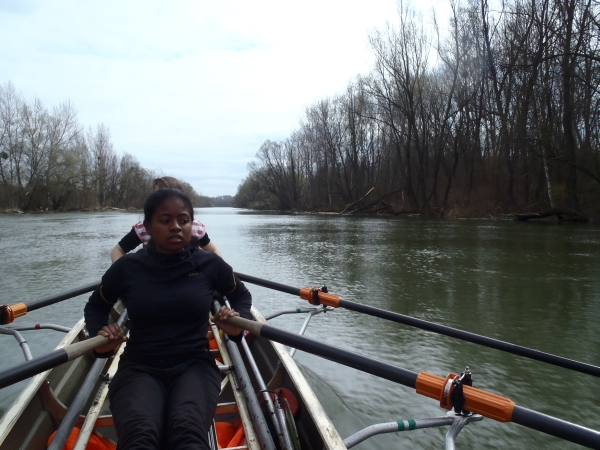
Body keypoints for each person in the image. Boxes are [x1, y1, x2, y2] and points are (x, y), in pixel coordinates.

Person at [84, 188, 250, 450]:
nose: (176, 227)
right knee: (140, 436)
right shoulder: (126, 268)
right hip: (139, 366)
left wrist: (236, 327)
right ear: (148, 226)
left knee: (187, 433)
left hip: (195, 364)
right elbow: (95, 307)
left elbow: (241, 296)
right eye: (165, 220)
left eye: (183, 221)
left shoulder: (210, 265)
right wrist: (100, 340)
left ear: (191, 224)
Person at [110, 176, 221, 263]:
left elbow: (214, 251)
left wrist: (215, 272)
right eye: (157, 195)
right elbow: (117, 251)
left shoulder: (195, 228)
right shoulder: (143, 228)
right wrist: (124, 274)